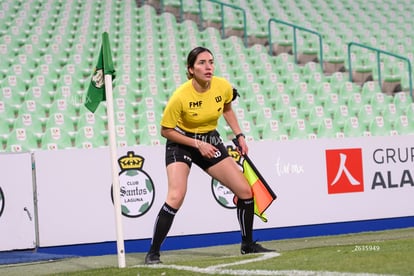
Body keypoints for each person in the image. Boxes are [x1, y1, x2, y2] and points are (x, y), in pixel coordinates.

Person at [145, 46, 274, 264]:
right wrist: (197, 144)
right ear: (191, 69)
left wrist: (239, 135)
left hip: (210, 139)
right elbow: (166, 130)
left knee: (245, 191)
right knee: (176, 196)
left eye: (211, 62)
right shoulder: (181, 96)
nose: (208, 67)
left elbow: (227, 108)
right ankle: (153, 252)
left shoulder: (223, 86)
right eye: (202, 63)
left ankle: (248, 244)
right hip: (181, 142)